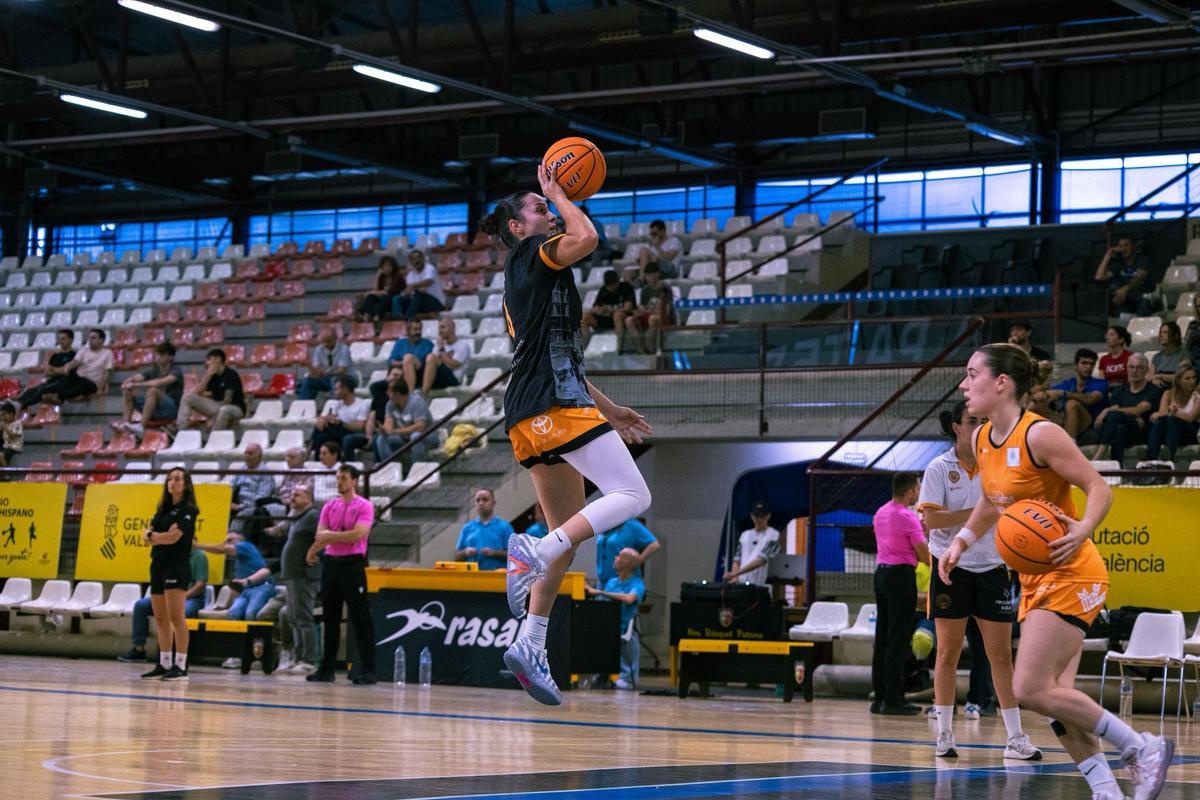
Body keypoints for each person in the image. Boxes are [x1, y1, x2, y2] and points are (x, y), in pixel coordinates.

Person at [939, 343, 1172, 800]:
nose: (964, 385)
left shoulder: (1040, 435)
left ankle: (1140, 746)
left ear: (1001, 383)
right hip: (1034, 581)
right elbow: (992, 500)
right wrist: (962, 541)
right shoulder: (983, 438)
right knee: (1058, 702)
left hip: (1072, 572)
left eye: (971, 375)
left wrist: (1084, 527)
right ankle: (1108, 792)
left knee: (1028, 686)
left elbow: (1098, 486)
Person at [480, 165, 653, 706]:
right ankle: (532, 546)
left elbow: (561, 356)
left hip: (537, 409)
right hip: (554, 406)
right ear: (516, 227)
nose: (549, 213)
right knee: (633, 495)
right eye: (538, 209)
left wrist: (612, 410)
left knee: (571, 536)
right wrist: (560, 191)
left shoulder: (532, 269)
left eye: (548, 204)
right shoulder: (533, 254)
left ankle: (530, 642)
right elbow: (590, 236)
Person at [917, 401, 1041, 760]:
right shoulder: (939, 468)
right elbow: (933, 522)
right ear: (956, 426)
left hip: (993, 567)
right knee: (947, 653)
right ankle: (944, 735)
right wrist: (983, 513)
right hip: (949, 567)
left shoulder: (998, 464)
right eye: (972, 421)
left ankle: (1016, 738)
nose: (979, 426)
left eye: (983, 421)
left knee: (1001, 655)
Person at [306, 464, 377, 685]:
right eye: (337, 478)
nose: (339, 482)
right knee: (331, 617)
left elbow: (359, 534)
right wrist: (315, 548)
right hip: (332, 565)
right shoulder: (330, 506)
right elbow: (320, 534)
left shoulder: (364, 506)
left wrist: (330, 536)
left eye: (344, 478)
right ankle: (326, 668)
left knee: (360, 616)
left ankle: (368, 669)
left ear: (354, 481)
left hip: (353, 565)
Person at [870, 472, 930, 715]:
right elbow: (924, 555)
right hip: (901, 577)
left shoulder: (881, 512)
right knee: (898, 638)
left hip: (881, 575)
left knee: (882, 636)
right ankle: (895, 699)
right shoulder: (908, 517)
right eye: (917, 489)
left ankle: (880, 697)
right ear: (909, 492)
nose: (918, 493)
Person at [138, 467, 199, 681]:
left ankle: (180, 665)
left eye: (177, 479)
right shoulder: (162, 508)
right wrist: (157, 535)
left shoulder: (188, 509)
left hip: (176, 565)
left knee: (176, 617)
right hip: (158, 563)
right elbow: (145, 536)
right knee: (161, 617)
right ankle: (164, 663)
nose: (172, 482)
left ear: (186, 484)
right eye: (169, 479)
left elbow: (174, 538)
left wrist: (155, 535)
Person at [119, 544, 207, 664]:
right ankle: (139, 649)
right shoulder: (170, 555)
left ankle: (180, 654)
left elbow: (200, 585)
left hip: (191, 598)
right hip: (168, 596)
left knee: (181, 612)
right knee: (141, 605)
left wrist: (181, 596)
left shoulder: (199, 556)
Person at [584, 547, 645, 690]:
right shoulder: (611, 582)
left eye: (620, 556)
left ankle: (627, 678)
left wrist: (600, 591)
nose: (615, 558)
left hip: (625, 627)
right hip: (607, 627)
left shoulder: (637, 584)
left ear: (628, 564)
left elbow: (630, 599)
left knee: (630, 641)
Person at [278, 485, 320, 674]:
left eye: (297, 495)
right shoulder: (298, 518)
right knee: (293, 618)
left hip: (304, 574)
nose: (292, 497)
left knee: (303, 617)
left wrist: (315, 554)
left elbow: (323, 538)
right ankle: (297, 657)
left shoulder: (313, 516)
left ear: (309, 497)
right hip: (293, 575)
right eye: (291, 494)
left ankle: (309, 660)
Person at [1093, 354, 1159, 464]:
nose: (1134, 371)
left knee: (1115, 416)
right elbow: (1115, 414)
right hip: (1123, 431)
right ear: (1127, 369)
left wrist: (1107, 410)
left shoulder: (1153, 390)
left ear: (1146, 370)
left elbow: (1139, 410)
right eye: (1131, 367)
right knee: (1119, 428)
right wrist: (1129, 415)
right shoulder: (1120, 390)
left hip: (1141, 432)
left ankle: (1098, 457)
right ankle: (1117, 468)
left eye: (1139, 367)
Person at [198, 531, 275, 624]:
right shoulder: (239, 562)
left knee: (251, 613)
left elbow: (221, 549)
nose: (227, 544)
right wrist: (226, 605)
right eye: (226, 542)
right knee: (234, 613)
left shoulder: (245, 546)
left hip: (262, 586)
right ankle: (237, 638)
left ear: (241, 539)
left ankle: (253, 638)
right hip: (246, 590)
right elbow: (237, 589)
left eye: (230, 540)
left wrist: (198, 546)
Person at [27, 328, 112, 406]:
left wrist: (101, 387)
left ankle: (58, 396)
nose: (90, 340)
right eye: (89, 338)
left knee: (83, 387)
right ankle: (50, 394)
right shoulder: (83, 351)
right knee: (67, 377)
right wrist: (68, 366)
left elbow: (107, 373)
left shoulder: (108, 353)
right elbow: (76, 361)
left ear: (101, 340)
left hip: (92, 382)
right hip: (79, 377)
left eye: (93, 338)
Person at [115, 342, 183, 436]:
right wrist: (127, 382)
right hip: (154, 409)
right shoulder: (153, 369)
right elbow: (135, 377)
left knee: (153, 390)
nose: (158, 357)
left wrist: (135, 385)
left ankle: (141, 426)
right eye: (157, 354)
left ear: (171, 357)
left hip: (171, 409)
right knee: (128, 391)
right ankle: (125, 423)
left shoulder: (176, 371)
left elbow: (159, 382)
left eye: (162, 355)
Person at [1041, 348, 1107, 442]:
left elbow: (1090, 399)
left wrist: (1064, 393)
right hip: (1065, 421)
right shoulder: (1068, 384)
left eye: (1091, 364)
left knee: (1072, 404)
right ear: (1076, 366)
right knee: (1036, 405)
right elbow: (1047, 392)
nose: (1088, 367)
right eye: (1084, 363)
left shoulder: (1100, 383)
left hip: (1089, 422)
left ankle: (1071, 444)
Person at [175, 348, 246, 431]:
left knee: (223, 410)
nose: (206, 363)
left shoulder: (231, 374)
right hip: (217, 406)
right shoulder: (212, 376)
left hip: (235, 408)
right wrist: (208, 375)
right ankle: (181, 429)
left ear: (218, 359)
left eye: (209, 360)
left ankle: (215, 439)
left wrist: (214, 419)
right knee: (187, 397)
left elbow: (227, 401)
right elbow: (196, 393)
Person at [368, 378, 431, 466]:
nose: (386, 393)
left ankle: (417, 470)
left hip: (427, 436)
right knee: (381, 439)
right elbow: (388, 423)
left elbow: (420, 426)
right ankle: (391, 469)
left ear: (397, 394)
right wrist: (384, 429)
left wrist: (396, 431)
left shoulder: (417, 402)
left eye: (389, 391)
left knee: (415, 436)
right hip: (404, 437)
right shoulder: (390, 404)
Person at [1145, 364, 1200, 461]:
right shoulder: (1168, 393)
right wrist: (1168, 412)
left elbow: (1190, 418)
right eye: (1187, 379)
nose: (1192, 381)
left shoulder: (1197, 396)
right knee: (1160, 422)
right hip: (1171, 432)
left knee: (1172, 420)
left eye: (1194, 378)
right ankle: (1150, 459)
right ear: (1179, 381)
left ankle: (1168, 459)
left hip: (1190, 432)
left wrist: (1174, 412)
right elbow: (1161, 414)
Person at [310, 376, 371, 458]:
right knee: (321, 437)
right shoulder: (338, 404)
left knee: (327, 428)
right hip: (337, 434)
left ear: (345, 389)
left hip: (352, 434)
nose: (334, 392)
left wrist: (340, 423)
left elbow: (359, 427)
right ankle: (319, 466)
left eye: (337, 389)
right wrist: (322, 419)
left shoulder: (362, 404)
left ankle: (308, 450)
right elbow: (330, 418)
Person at [455, 488, 513, 571]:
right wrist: (466, 552)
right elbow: (456, 557)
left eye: (485, 500)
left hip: (497, 578)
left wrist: (494, 553)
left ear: (493, 503)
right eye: (477, 500)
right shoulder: (467, 528)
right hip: (472, 577)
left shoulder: (505, 527)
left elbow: (516, 557)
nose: (481, 503)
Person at [228, 443, 278, 540]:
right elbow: (231, 486)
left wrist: (239, 507)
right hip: (237, 504)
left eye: (250, 453)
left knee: (239, 518)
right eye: (246, 453)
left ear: (259, 456)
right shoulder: (242, 469)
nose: (247, 456)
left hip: (254, 506)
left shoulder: (265, 473)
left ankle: (234, 545)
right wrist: (227, 502)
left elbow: (261, 498)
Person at [1094, 237, 1154, 317]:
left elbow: (1140, 279)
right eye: (1120, 246)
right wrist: (1108, 254)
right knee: (1113, 289)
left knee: (1144, 301)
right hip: (1127, 299)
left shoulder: (1142, 259)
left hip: (1143, 296)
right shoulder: (1119, 264)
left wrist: (1125, 289)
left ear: (1133, 247)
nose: (1123, 248)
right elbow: (1099, 277)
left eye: (1126, 245)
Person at [723, 501, 780, 586]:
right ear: (752, 516)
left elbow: (761, 561)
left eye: (762, 516)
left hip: (761, 584)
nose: (759, 519)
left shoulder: (774, 534)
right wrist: (735, 577)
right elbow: (737, 559)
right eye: (756, 516)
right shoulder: (745, 535)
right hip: (741, 583)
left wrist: (735, 574)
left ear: (768, 516)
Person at [16, 329, 75, 407]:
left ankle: (21, 405)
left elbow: (67, 372)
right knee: (30, 391)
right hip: (52, 381)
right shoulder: (55, 356)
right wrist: (59, 370)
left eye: (63, 339)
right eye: (59, 339)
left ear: (71, 340)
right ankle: (16, 404)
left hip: (65, 383)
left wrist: (54, 370)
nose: (60, 342)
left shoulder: (74, 356)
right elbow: (47, 373)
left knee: (43, 389)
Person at [595, 517, 659, 588]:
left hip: (625, 582)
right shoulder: (606, 525)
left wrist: (636, 562)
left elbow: (654, 544)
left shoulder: (632, 525)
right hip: (603, 581)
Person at [581, 269, 635, 350]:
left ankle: (619, 349)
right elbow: (596, 306)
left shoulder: (626, 287)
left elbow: (628, 308)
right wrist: (596, 310)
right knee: (584, 318)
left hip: (621, 317)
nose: (610, 288)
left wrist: (609, 310)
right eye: (608, 286)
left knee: (617, 316)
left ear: (617, 282)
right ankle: (583, 349)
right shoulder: (603, 290)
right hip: (606, 318)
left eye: (611, 285)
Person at [629, 263, 675, 354]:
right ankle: (640, 350)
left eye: (650, 275)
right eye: (646, 276)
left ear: (657, 274)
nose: (647, 278)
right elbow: (642, 305)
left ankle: (651, 349)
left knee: (652, 319)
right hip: (648, 315)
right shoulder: (645, 289)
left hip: (661, 317)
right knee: (629, 320)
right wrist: (641, 309)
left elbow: (667, 310)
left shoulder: (665, 288)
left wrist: (650, 311)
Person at [297, 326, 353, 401]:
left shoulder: (344, 349)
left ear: (335, 339)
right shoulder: (319, 349)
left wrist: (325, 373)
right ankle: (305, 405)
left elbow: (341, 371)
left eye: (328, 341)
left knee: (335, 380)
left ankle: (335, 406)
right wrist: (311, 367)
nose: (325, 344)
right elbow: (316, 368)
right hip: (325, 378)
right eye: (323, 341)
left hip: (345, 378)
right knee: (307, 381)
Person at [422, 317, 472, 394]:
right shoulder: (438, 346)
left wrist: (442, 349)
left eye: (443, 327)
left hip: (454, 379)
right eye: (439, 328)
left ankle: (423, 394)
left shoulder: (463, 346)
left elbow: (453, 365)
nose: (440, 331)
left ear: (452, 329)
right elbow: (432, 365)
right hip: (440, 376)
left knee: (431, 357)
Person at [392, 249, 446, 319]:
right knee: (397, 298)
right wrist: (407, 292)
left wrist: (413, 286)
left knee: (418, 294)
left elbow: (428, 282)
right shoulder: (410, 274)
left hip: (436, 303)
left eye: (418, 257)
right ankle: (398, 318)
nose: (416, 260)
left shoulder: (430, 268)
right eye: (413, 259)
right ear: (410, 262)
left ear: (423, 258)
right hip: (419, 303)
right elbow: (410, 291)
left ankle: (407, 319)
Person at [388, 319, 435, 395]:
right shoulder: (400, 343)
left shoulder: (428, 344)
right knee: (376, 386)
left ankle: (409, 396)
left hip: (420, 375)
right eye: (415, 329)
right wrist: (404, 363)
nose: (418, 332)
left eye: (420, 329)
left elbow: (418, 362)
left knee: (408, 358)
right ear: (408, 330)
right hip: (401, 375)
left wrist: (401, 362)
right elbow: (391, 361)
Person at [357, 255, 405, 322]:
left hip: (393, 301)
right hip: (382, 302)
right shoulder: (382, 277)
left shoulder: (397, 277)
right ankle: (366, 315)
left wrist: (371, 292)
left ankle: (376, 316)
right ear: (381, 267)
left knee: (385, 297)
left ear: (393, 267)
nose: (387, 268)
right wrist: (378, 275)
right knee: (371, 297)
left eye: (390, 266)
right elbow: (375, 289)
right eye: (385, 266)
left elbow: (389, 292)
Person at [1148, 321, 1183, 388]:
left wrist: (1159, 376)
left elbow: (1182, 377)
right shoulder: (1157, 356)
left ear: (1176, 335)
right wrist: (1153, 380)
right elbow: (1150, 376)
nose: (1161, 335)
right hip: (1157, 387)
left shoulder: (1183, 355)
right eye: (1160, 332)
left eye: (1165, 332)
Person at [312, 441, 343, 505]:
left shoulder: (343, 471)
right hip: (315, 504)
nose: (320, 456)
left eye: (324, 454)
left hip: (335, 505)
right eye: (320, 453)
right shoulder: (318, 470)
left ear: (334, 455)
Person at [0, 402, 21, 469]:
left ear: (11, 414)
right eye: (1, 415)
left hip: (13, 446)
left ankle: (6, 474)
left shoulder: (17, 424)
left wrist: (4, 427)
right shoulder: (4, 423)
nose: (2, 418)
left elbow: (12, 437)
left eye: (4, 415)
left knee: (0, 456)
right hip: (4, 445)